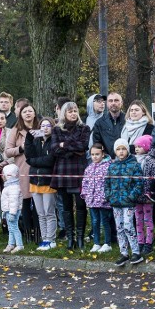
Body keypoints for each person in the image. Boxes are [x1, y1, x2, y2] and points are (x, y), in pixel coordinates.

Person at [51, 101, 91, 250]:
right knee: (66, 206)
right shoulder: (56, 130)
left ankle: (80, 238)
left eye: (75, 110)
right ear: (64, 114)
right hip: (63, 170)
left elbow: (83, 146)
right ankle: (70, 237)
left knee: (81, 205)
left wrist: (64, 144)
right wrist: (72, 147)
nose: (73, 113)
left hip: (79, 169)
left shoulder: (84, 128)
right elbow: (54, 149)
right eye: (70, 111)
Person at [105, 138, 145, 266]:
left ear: (127, 150)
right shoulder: (112, 166)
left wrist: (131, 196)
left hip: (128, 202)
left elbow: (139, 183)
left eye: (123, 149)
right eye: (118, 149)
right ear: (115, 151)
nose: (121, 152)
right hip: (116, 202)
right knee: (119, 228)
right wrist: (109, 196)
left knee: (128, 226)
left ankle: (136, 252)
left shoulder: (134, 165)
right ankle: (124, 253)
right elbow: (107, 183)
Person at [5, 102, 38, 243]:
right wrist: (21, 148)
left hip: (39, 168)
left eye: (30, 111)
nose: (28, 114)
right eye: (25, 112)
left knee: (39, 204)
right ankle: (27, 235)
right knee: (25, 202)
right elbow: (7, 151)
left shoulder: (40, 128)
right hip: (23, 169)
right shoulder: (16, 130)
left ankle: (38, 234)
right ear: (21, 115)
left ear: (34, 113)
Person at [26, 116, 57, 250]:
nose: (45, 128)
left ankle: (51, 239)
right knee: (40, 213)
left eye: (48, 125)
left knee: (49, 212)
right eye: (42, 125)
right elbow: (29, 157)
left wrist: (35, 161)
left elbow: (50, 160)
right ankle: (44, 239)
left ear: (52, 127)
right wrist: (28, 138)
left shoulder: (54, 141)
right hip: (34, 181)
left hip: (48, 181)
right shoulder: (36, 141)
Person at [81, 143, 113, 253]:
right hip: (91, 200)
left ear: (103, 154)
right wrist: (85, 195)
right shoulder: (89, 168)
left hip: (103, 201)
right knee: (94, 221)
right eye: (92, 154)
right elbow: (85, 182)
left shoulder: (108, 167)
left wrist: (106, 196)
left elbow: (110, 183)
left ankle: (107, 243)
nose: (95, 156)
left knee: (105, 221)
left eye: (97, 154)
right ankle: (96, 243)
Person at [133, 135, 155, 257]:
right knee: (138, 219)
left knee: (148, 219)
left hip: (148, 195)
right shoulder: (133, 160)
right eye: (135, 147)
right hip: (136, 195)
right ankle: (140, 241)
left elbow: (154, 177)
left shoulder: (150, 160)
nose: (137, 149)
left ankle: (149, 242)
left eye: (139, 146)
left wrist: (151, 191)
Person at [93, 93, 126, 158]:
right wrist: (106, 158)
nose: (113, 103)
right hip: (107, 161)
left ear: (121, 103)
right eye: (110, 101)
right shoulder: (99, 123)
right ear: (107, 103)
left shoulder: (128, 120)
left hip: (126, 160)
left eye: (116, 100)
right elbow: (97, 144)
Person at [1, 164, 24, 253]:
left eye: (4, 174)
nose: (2, 176)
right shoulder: (9, 186)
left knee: (14, 227)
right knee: (10, 228)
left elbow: (14, 202)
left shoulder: (13, 187)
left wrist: (12, 213)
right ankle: (11, 244)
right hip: (8, 211)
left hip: (12, 211)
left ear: (8, 175)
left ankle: (19, 245)